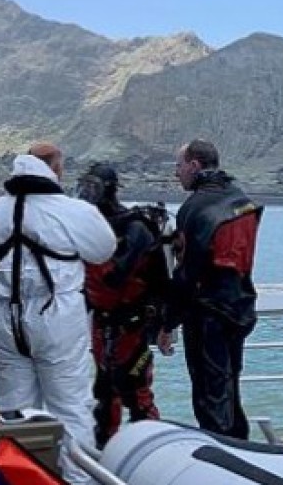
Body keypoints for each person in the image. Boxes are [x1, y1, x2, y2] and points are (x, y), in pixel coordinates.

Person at [0, 143, 115, 484]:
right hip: (56, 317)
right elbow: (103, 249)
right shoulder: (74, 211)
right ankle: (77, 480)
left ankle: (19, 477)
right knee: (71, 408)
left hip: (3, 317)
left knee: (14, 410)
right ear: (55, 169)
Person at [167, 139, 264, 439]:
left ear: (194, 166)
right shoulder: (241, 200)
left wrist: (167, 322)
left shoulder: (194, 208)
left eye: (179, 166)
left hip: (207, 313)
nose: (176, 173)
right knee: (229, 386)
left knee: (210, 394)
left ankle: (221, 450)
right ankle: (240, 444)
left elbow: (187, 273)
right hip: (240, 308)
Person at [74, 163, 174, 448]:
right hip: (102, 321)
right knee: (105, 390)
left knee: (135, 389)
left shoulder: (135, 227)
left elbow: (116, 276)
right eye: (84, 187)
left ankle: (151, 451)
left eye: (93, 188)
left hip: (132, 323)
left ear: (108, 190)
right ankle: (105, 451)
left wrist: (165, 325)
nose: (87, 195)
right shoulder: (93, 227)